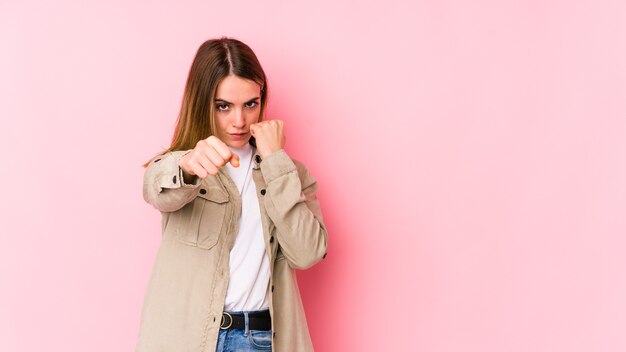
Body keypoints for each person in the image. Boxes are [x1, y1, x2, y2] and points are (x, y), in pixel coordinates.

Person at [136, 37, 328, 352]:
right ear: (202, 102)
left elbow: (307, 253)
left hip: (258, 339)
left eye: (250, 104)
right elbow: (156, 188)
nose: (239, 121)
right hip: (187, 339)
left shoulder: (291, 174)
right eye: (223, 106)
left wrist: (276, 162)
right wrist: (187, 165)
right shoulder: (185, 165)